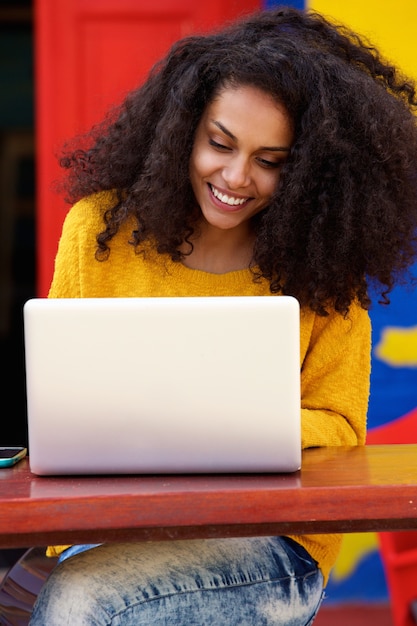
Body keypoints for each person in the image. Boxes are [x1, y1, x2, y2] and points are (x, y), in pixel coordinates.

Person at [30, 5, 417, 625]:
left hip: (271, 544)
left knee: (83, 602)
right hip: (115, 530)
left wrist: (212, 427)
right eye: (219, 143)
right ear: (181, 128)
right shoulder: (98, 231)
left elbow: (342, 429)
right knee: (52, 589)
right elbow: (65, 404)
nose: (237, 177)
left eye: (271, 161)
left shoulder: (322, 269)